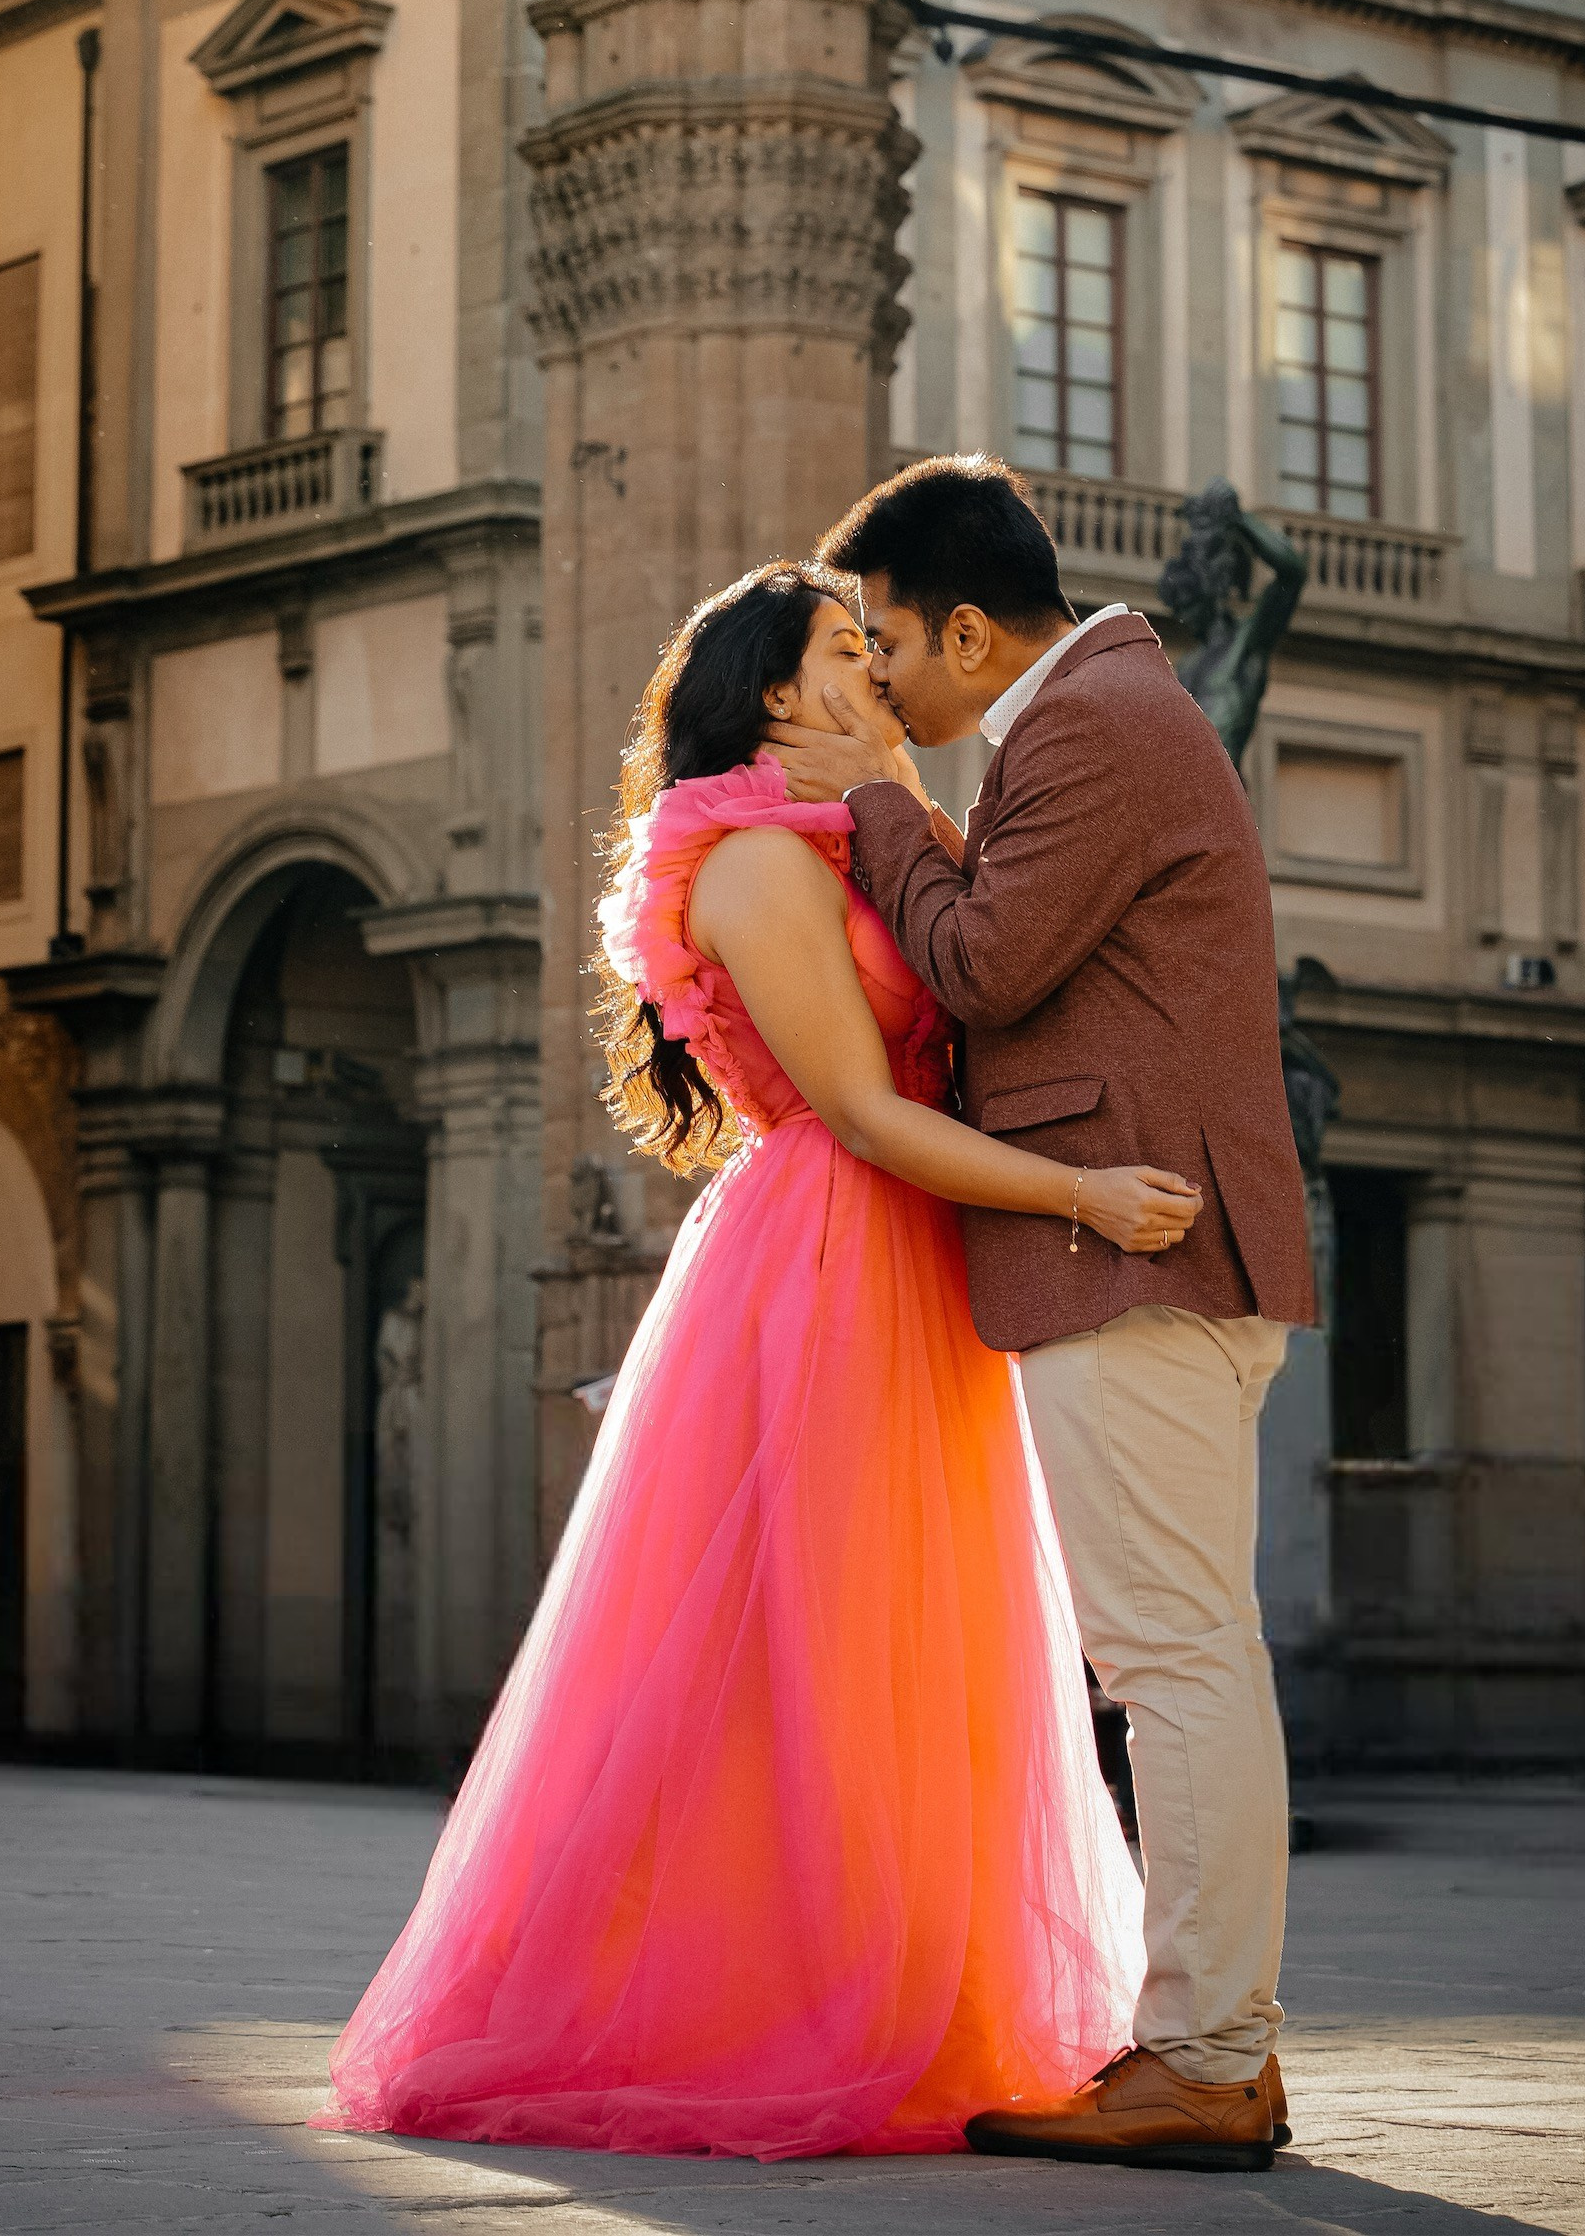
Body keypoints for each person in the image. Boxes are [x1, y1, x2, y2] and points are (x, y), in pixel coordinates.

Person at [311, 563, 1206, 2161]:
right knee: (811, 1654)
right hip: (834, 1259)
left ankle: (913, 1984)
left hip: (907, 1263)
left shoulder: (839, 843)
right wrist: (1081, 1192)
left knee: (917, 1653)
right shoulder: (748, 868)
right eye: (848, 652)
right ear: (782, 696)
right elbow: (861, 1114)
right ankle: (775, 2000)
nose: (880, 671)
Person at [767, 454, 1316, 2173]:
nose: (877, 681)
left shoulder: (1090, 725)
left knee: (1173, 1656)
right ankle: (1219, 2045)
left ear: (976, 633)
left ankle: (1209, 2054)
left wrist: (873, 801)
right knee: (1187, 1648)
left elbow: (989, 968)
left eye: (886, 646)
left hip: (1132, 1251)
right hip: (1159, 1248)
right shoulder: (1112, 710)